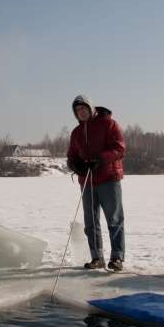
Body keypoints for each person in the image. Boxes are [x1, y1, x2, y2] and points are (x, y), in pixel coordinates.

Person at [66, 95, 127, 271]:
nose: (81, 112)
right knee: (91, 221)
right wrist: (76, 166)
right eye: (77, 111)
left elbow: (119, 148)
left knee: (114, 219)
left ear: (91, 108)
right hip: (88, 182)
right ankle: (96, 257)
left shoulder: (109, 124)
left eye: (84, 108)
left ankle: (117, 258)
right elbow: (71, 156)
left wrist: (100, 160)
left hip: (108, 179)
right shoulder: (76, 133)